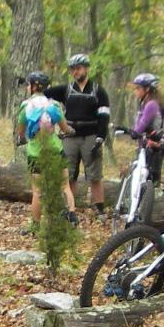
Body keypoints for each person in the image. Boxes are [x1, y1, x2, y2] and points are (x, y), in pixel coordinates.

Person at [45, 53, 111, 215]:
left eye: (79, 68)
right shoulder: (66, 90)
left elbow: (104, 116)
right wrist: (30, 83)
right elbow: (44, 93)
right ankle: (70, 209)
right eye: (73, 69)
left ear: (86, 69)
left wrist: (100, 138)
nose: (76, 72)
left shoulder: (98, 92)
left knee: (95, 175)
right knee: (69, 174)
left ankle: (99, 209)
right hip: (70, 137)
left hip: (90, 137)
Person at [16, 71, 77, 227]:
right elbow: (64, 128)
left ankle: (35, 226)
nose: (27, 87)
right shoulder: (54, 105)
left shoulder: (26, 106)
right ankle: (72, 214)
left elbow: (20, 131)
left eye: (29, 84)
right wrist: (69, 131)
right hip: (56, 150)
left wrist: (22, 138)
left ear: (35, 86)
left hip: (36, 152)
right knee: (64, 185)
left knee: (37, 191)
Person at [129, 72, 164, 182]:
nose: (135, 91)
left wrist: (133, 132)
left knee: (149, 180)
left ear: (147, 89)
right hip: (146, 146)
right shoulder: (145, 103)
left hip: (152, 147)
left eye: (138, 88)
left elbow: (142, 124)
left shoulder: (151, 104)